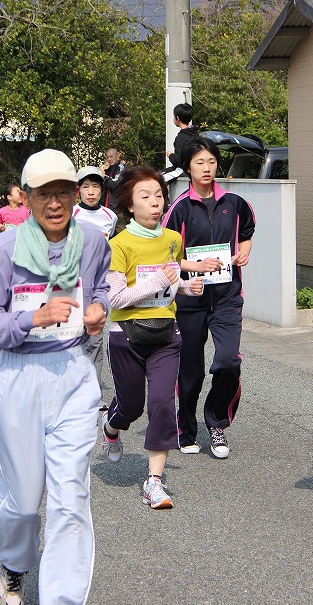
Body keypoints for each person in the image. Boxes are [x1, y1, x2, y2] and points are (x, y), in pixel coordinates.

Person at [0, 148, 110, 605]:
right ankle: (13, 563)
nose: (54, 203)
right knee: (24, 498)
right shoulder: (4, 249)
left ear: (75, 195)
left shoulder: (92, 241)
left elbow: (100, 288)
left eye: (63, 192)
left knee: (71, 494)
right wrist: (32, 318)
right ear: (26, 197)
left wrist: (98, 310)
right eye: (43, 194)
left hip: (73, 372)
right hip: (18, 376)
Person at [101, 166, 203, 509]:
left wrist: (186, 287)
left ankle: (154, 482)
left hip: (166, 335)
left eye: (159, 195)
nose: (155, 202)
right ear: (130, 204)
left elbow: (170, 284)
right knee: (130, 407)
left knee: (162, 403)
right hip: (127, 336)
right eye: (145, 196)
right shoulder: (118, 245)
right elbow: (116, 299)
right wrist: (158, 280)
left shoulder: (173, 239)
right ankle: (111, 426)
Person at [162, 136, 255, 458]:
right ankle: (186, 428)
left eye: (212, 162)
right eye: (199, 162)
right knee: (191, 371)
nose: (206, 168)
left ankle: (217, 423)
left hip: (228, 297)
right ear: (187, 167)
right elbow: (167, 257)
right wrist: (196, 267)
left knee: (228, 361)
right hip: (190, 300)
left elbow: (246, 234)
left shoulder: (236, 203)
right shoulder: (179, 208)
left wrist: (244, 252)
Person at [73, 165, 118, 409]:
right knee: (70, 340)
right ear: (78, 190)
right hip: (70, 287)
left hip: (97, 288)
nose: (91, 192)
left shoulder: (110, 217)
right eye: (86, 187)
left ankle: (93, 396)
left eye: (95, 187)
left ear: (102, 190)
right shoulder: (70, 214)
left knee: (95, 341)